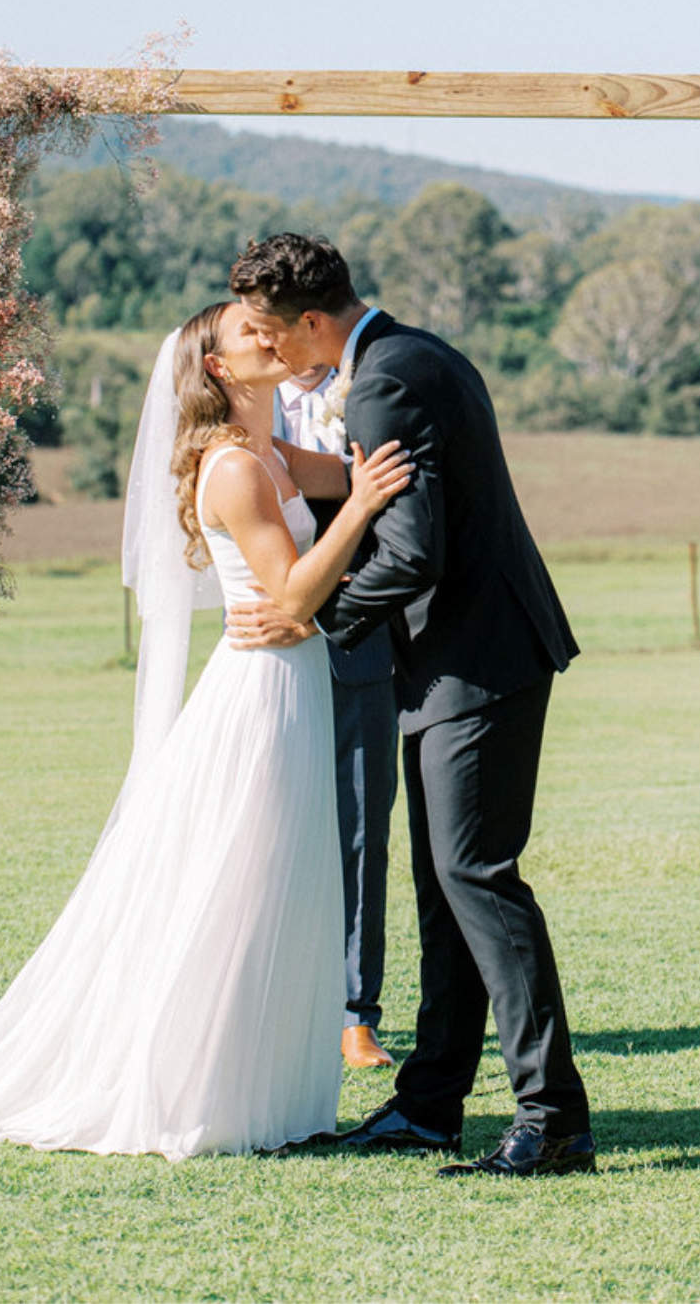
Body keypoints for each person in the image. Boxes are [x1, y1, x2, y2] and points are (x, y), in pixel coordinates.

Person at [0, 302, 411, 1158]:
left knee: (279, 878)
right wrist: (362, 507)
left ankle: (261, 1083)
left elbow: (338, 475)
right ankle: (201, 1088)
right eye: (249, 334)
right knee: (241, 873)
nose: (269, 337)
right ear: (216, 370)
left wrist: (366, 471)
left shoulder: (273, 454)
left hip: (292, 684)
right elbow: (290, 592)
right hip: (260, 692)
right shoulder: (231, 471)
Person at [228, 234, 595, 1180]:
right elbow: (399, 510)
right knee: (447, 889)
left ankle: (551, 1118)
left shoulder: (385, 380)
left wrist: (316, 620)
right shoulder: (417, 352)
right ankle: (430, 1106)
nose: (271, 353)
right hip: (465, 663)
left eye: (273, 334)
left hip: (472, 662)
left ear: (313, 321)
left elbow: (413, 550)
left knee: (476, 878)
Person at [271, 361, 400, 1070]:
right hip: (270, 644)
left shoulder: (374, 387)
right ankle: (274, 1000)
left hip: (361, 640)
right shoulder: (240, 414)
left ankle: (356, 1013)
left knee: (360, 828)